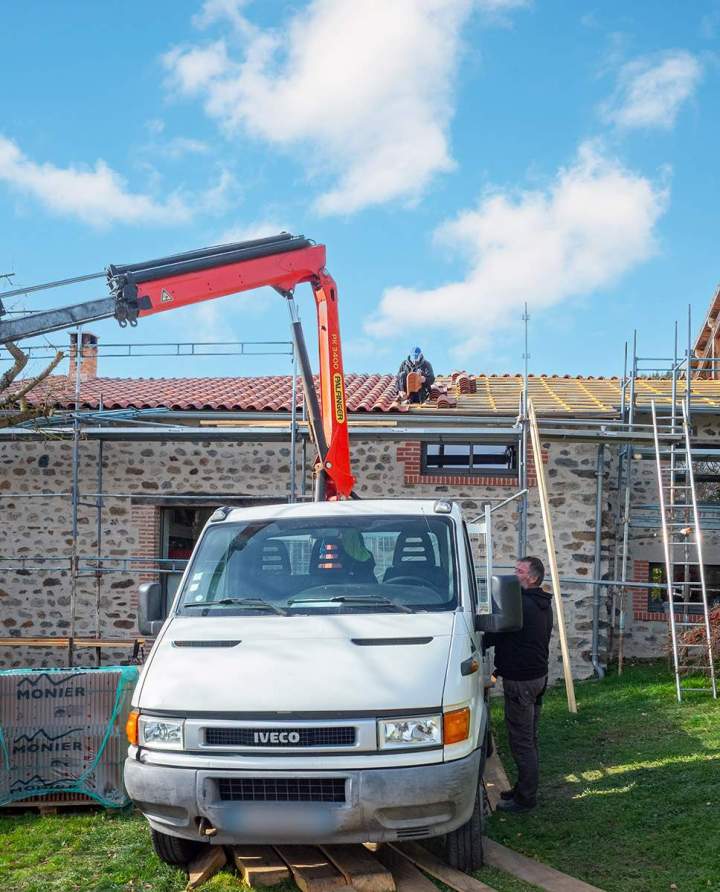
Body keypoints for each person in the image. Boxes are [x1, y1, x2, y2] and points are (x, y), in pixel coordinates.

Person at [483, 556, 553, 813]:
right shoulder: (541, 602)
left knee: (522, 741)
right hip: (537, 678)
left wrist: (481, 635)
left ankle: (525, 799)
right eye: (515, 569)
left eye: (520, 571)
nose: (515, 574)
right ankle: (523, 787)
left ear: (533, 578)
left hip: (522, 682)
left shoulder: (522, 605)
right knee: (529, 737)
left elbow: (497, 632)